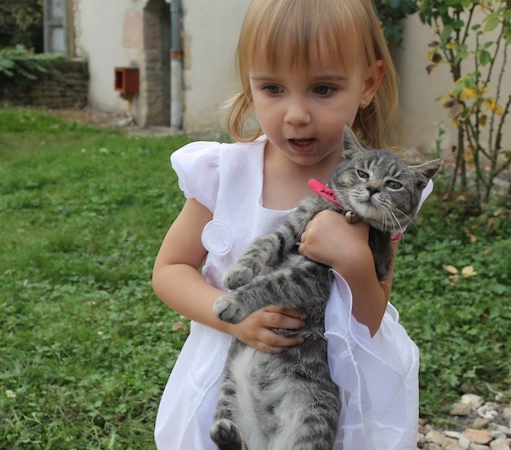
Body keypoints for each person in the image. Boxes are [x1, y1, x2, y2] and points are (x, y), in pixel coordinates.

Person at [152, 0, 433, 448]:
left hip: (330, 386)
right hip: (235, 376)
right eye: (272, 88)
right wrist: (233, 319)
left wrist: (355, 261)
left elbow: (370, 318)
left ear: (367, 84)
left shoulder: (380, 194)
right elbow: (170, 270)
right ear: (249, 84)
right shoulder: (224, 174)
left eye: (322, 89)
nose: (297, 114)